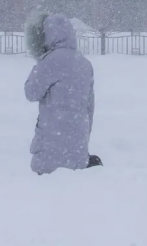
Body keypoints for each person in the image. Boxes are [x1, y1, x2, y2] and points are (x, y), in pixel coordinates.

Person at [23, 13, 101, 174]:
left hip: (50, 139)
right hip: (78, 140)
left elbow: (31, 92)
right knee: (71, 187)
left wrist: (39, 64)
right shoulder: (85, 64)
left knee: (46, 186)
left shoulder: (50, 61)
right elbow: (89, 107)